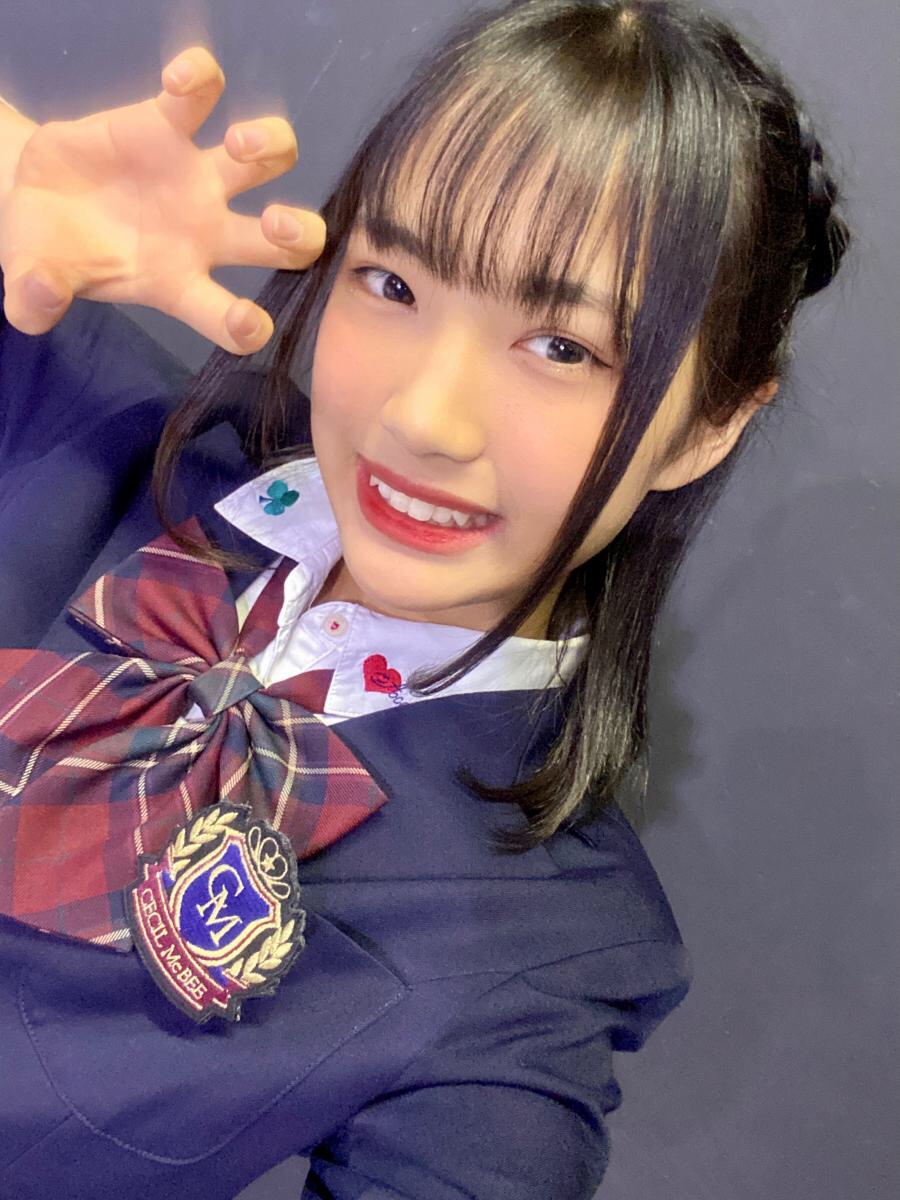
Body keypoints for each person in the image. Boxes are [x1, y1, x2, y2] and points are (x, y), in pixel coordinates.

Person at [0, 1, 850, 1197]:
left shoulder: (535, 956)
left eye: (563, 348)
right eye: (391, 280)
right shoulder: (117, 425)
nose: (423, 418)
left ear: (709, 421)